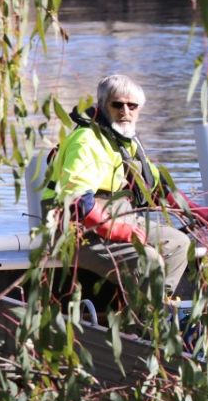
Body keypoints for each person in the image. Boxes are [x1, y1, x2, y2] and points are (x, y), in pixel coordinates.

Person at [42, 74, 192, 300]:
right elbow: (77, 202)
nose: (125, 111)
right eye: (117, 104)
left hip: (118, 216)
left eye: (132, 106)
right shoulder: (86, 141)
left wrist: (197, 213)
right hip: (75, 229)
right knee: (147, 259)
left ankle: (154, 309)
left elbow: (158, 187)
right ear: (103, 106)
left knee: (179, 244)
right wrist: (119, 231)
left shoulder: (125, 140)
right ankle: (144, 326)